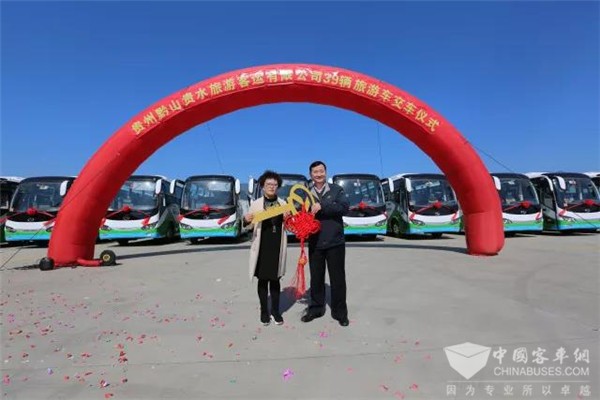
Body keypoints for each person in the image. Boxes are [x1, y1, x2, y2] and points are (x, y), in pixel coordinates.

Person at [301, 161, 350, 327]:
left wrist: (322, 206)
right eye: (315, 172)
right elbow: (299, 210)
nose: (318, 174)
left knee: (338, 279)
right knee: (316, 278)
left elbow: (344, 207)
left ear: (326, 172)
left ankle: (340, 313)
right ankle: (316, 309)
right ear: (310, 175)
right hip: (315, 242)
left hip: (335, 242)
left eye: (321, 171)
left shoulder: (336, 190)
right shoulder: (305, 192)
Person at [243, 170, 289, 326]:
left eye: (275, 184)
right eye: (269, 184)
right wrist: (246, 220)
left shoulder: (283, 204)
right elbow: (248, 226)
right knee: (262, 281)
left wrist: (289, 218)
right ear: (262, 186)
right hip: (261, 246)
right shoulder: (255, 204)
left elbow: (291, 225)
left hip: (277, 246)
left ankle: (276, 311)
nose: (272, 187)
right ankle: (264, 311)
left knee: (275, 280)